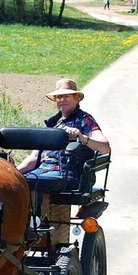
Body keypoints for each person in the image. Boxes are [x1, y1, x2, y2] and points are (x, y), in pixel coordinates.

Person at [17, 78, 110, 245]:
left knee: (35, 182)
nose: (62, 100)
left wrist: (82, 138)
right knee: (17, 183)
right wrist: (13, 173)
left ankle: (37, 226)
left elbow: (104, 148)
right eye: (58, 97)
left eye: (67, 96)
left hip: (69, 173)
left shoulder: (85, 120)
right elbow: (33, 158)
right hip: (43, 172)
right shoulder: (52, 124)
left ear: (76, 98)